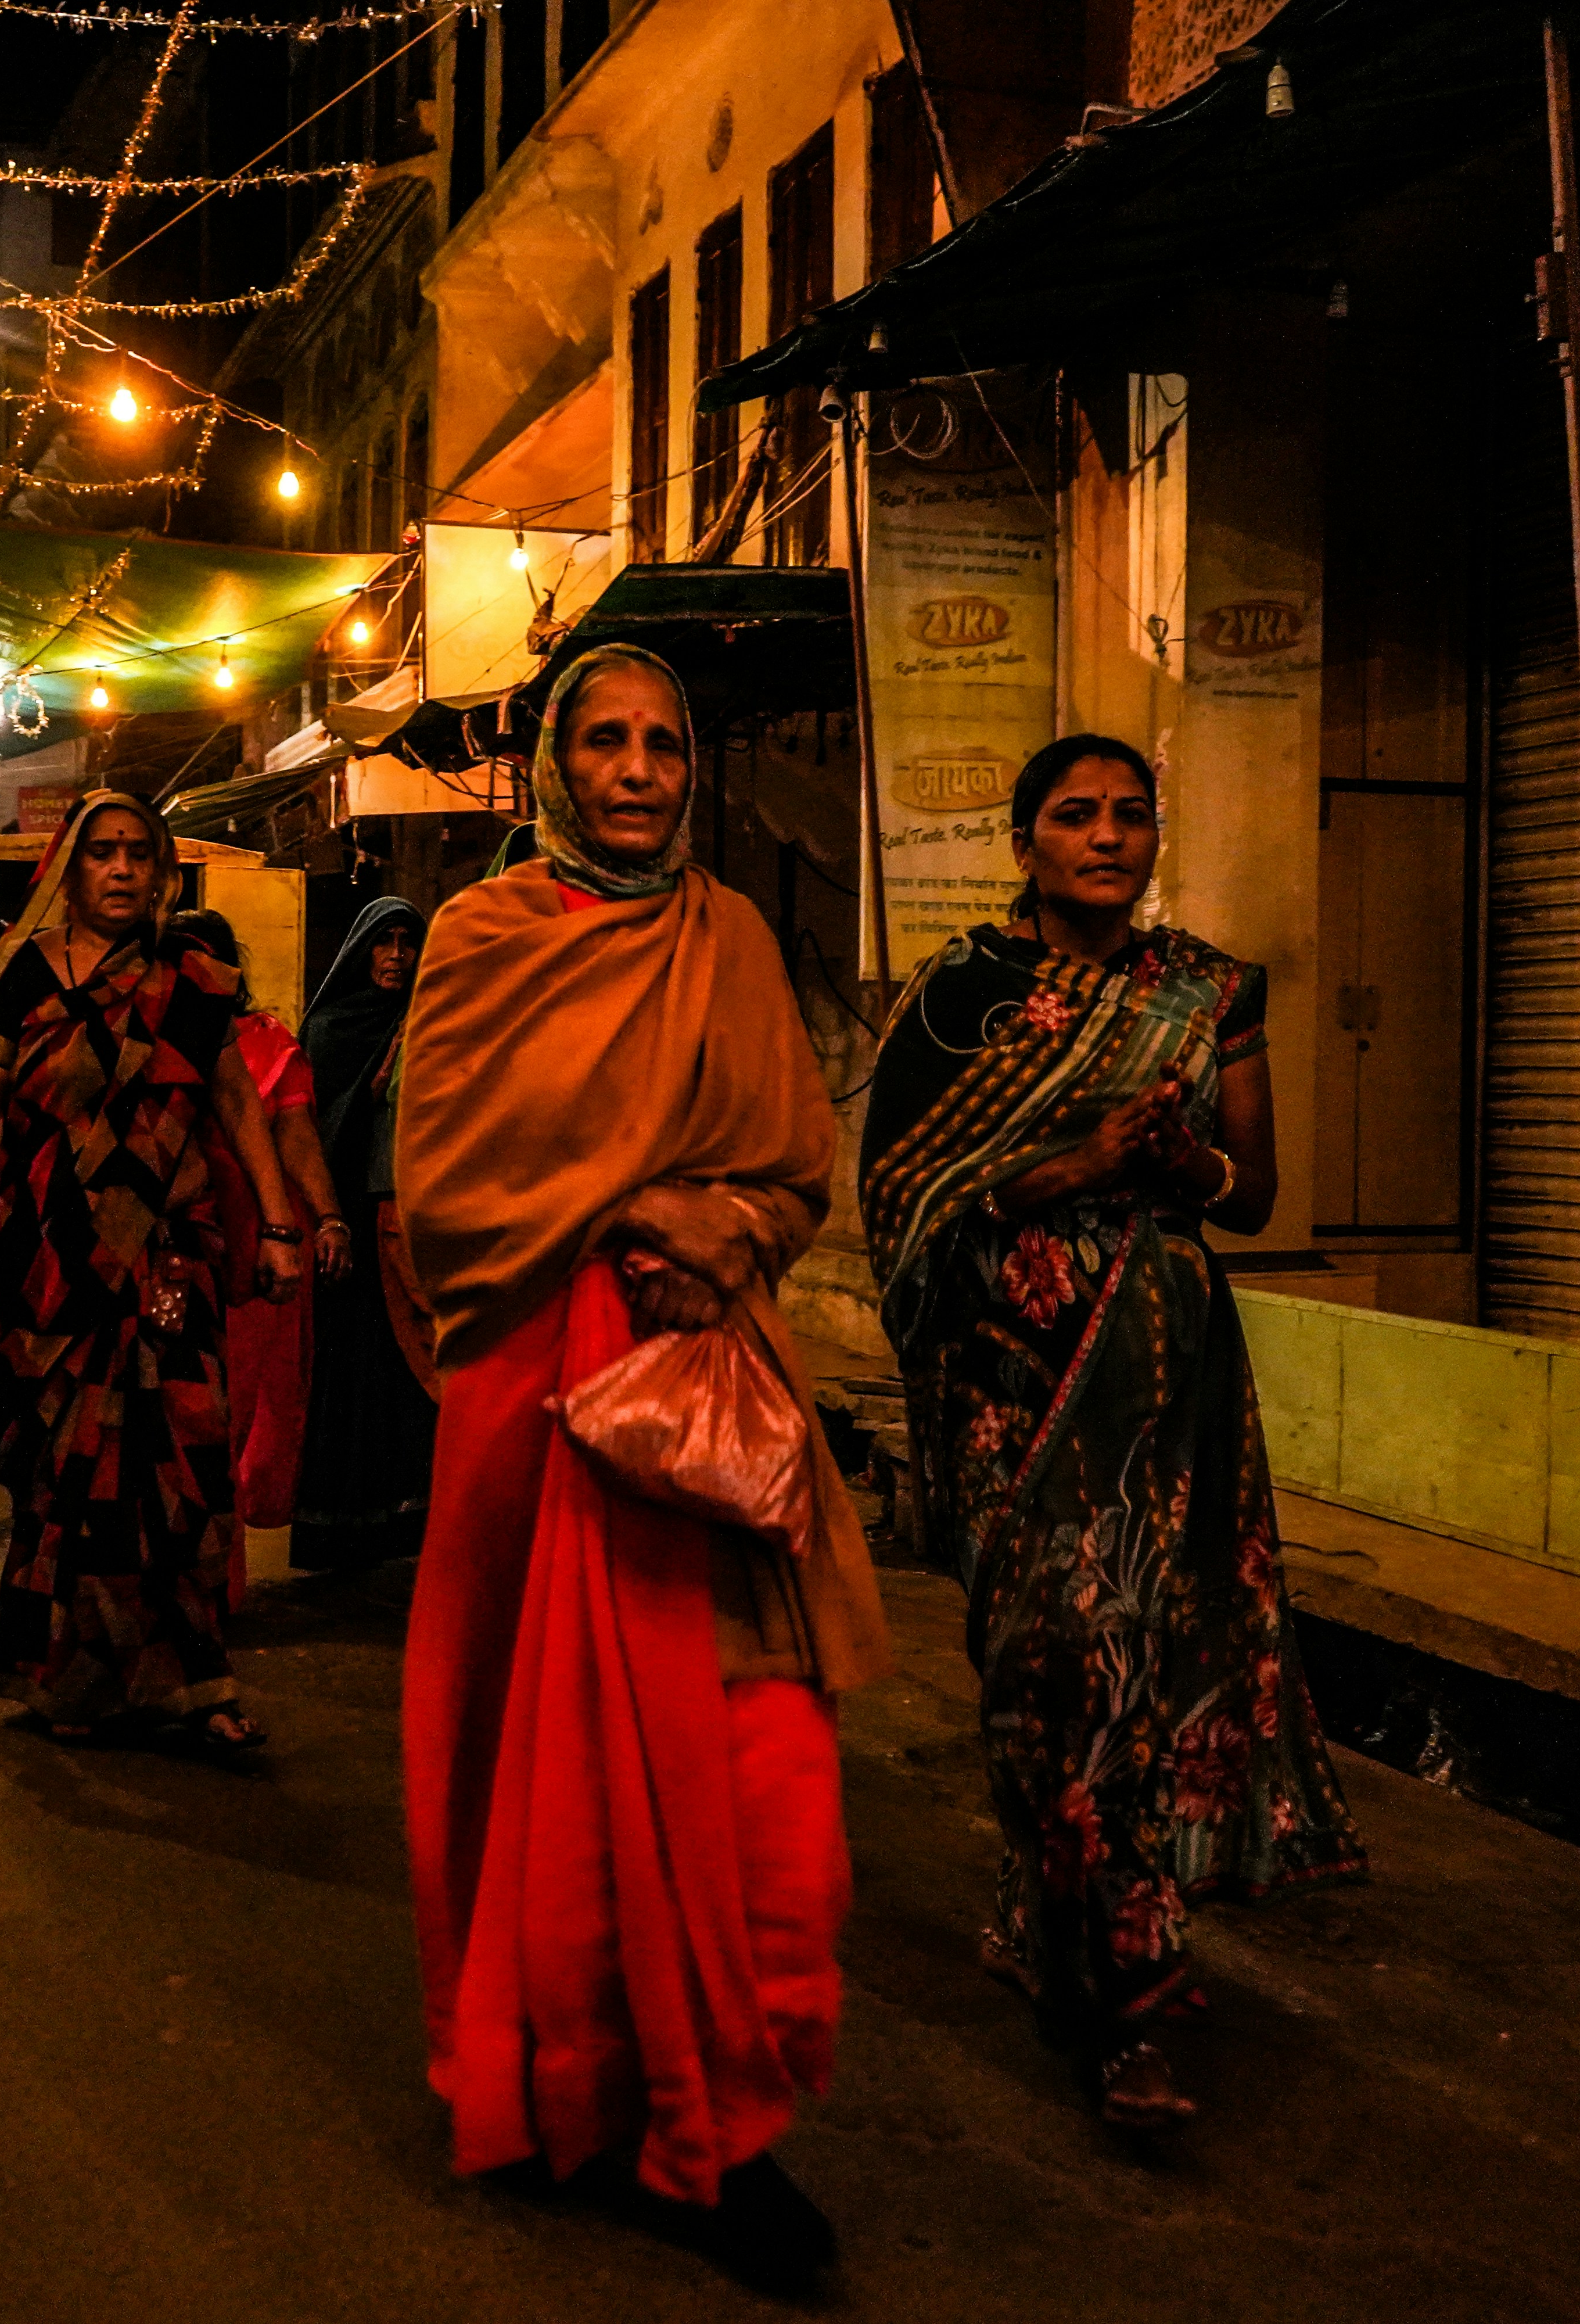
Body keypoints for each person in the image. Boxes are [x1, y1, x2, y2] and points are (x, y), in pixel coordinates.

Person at [396, 644, 889, 2293]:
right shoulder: (482, 941)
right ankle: (581, 2095)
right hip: (535, 1406)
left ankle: (719, 2112)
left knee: (760, 1783)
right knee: (543, 1777)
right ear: (553, 762)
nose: (636, 769)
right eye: (602, 740)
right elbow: (449, 1180)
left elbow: (798, 1167)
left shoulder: (729, 937)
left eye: (664, 744)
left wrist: (728, 1223)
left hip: (699, 1409)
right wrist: (632, 1214)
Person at [860, 734, 1367, 2135]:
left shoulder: (1205, 991)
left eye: (1128, 815)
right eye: (1073, 815)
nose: (1105, 836)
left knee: (1128, 1662)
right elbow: (902, 1192)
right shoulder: (960, 997)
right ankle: (1061, 1921)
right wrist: (1077, 1165)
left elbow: (1251, 1192)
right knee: (1049, 1658)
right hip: (1006, 1380)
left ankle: (1123, 1994)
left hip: (1162, 1373)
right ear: (1024, 840)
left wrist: (1173, 1163)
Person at [0, 792, 307, 1751]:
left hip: (169, 1264)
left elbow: (238, 1106)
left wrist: (282, 1222)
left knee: (183, 1471)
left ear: (163, 874)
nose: (123, 871)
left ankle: (197, 1678)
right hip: (47, 1266)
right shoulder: (27, 978)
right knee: (65, 1478)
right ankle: (74, 1675)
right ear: (71, 872)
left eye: (140, 855)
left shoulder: (197, 983)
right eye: (103, 855)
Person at [174, 908, 350, 1581]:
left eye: (207, 958)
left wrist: (324, 1219)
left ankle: (217, 1583)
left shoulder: (265, 1042)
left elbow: (295, 1138)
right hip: (170, 1244)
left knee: (229, 1414)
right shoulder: (147, 1034)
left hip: (250, 1247)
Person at [290, 895, 437, 1573]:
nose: (398, 956)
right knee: (352, 1370)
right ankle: (342, 1525)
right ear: (362, 950)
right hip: (349, 1219)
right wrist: (375, 1088)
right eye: (386, 942)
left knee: (411, 1373)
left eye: (409, 943)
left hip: (407, 1221)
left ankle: (407, 1522)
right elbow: (316, 1132)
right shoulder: (332, 1027)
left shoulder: (429, 1021)